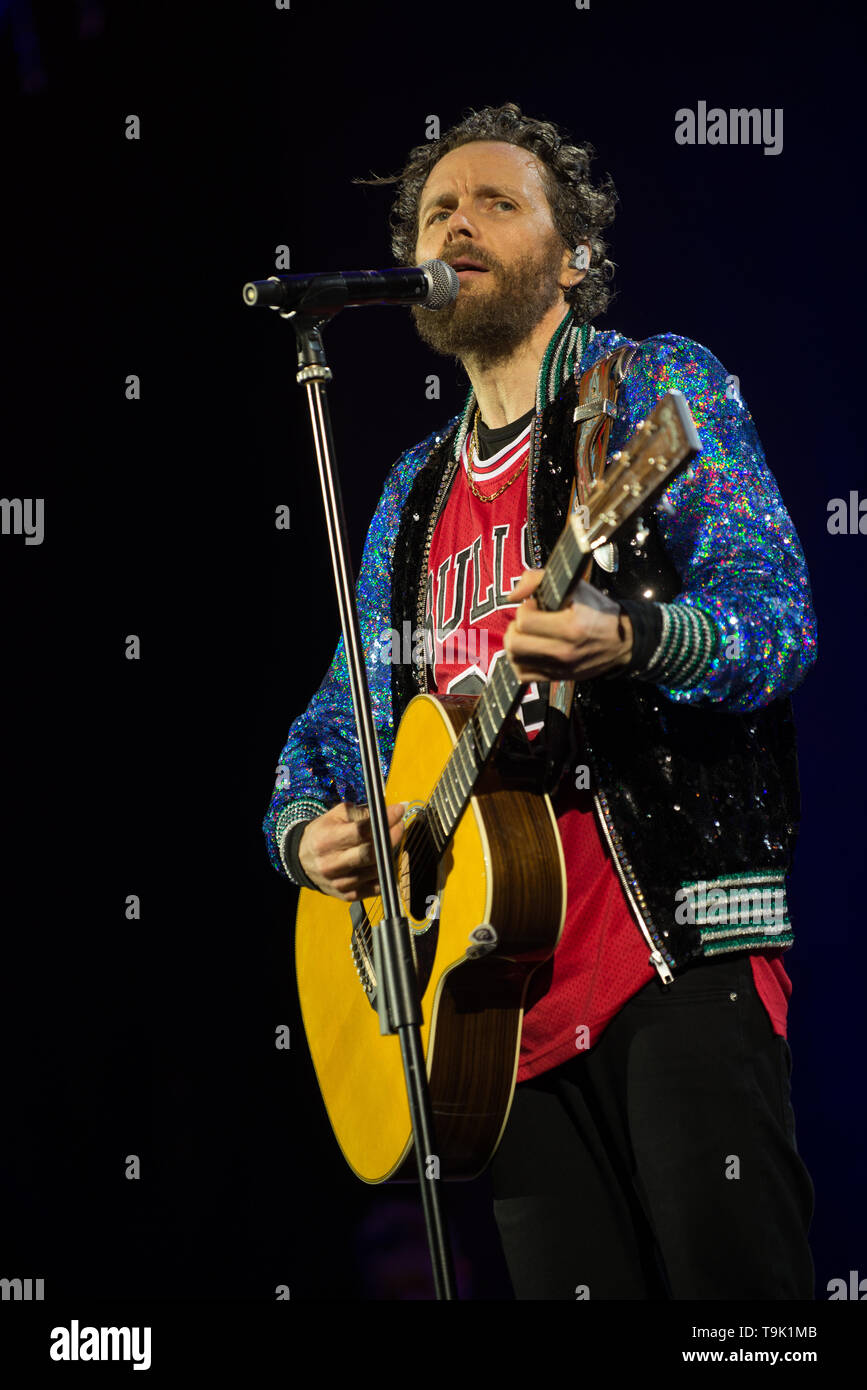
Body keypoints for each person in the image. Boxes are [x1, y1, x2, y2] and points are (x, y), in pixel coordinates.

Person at [262, 103, 816, 1300]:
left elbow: (778, 625)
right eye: (436, 211)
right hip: (490, 1010)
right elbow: (331, 726)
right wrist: (306, 833)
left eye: (496, 203)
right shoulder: (410, 496)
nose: (458, 222)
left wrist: (637, 637)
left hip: (669, 951)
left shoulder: (656, 387)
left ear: (573, 258)